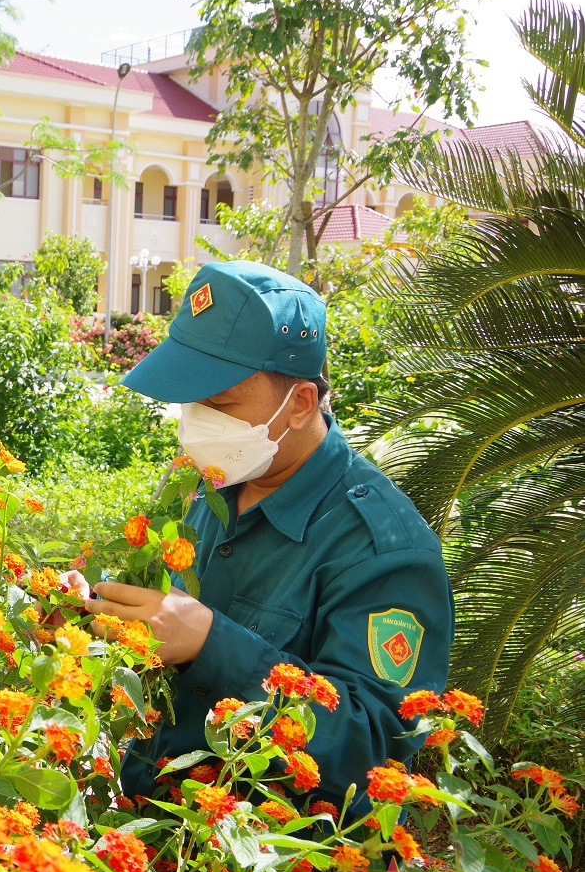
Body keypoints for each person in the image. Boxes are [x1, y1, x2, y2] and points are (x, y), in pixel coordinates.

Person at [66, 260, 452, 814]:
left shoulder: (380, 548)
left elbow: (377, 746)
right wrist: (95, 612)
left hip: (274, 871)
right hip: (158, 825)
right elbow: (157, 617)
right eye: (189, 402)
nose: (195, 424)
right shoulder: (205, 485)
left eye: (219, 406)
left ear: (298, 404)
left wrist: (213, 646)